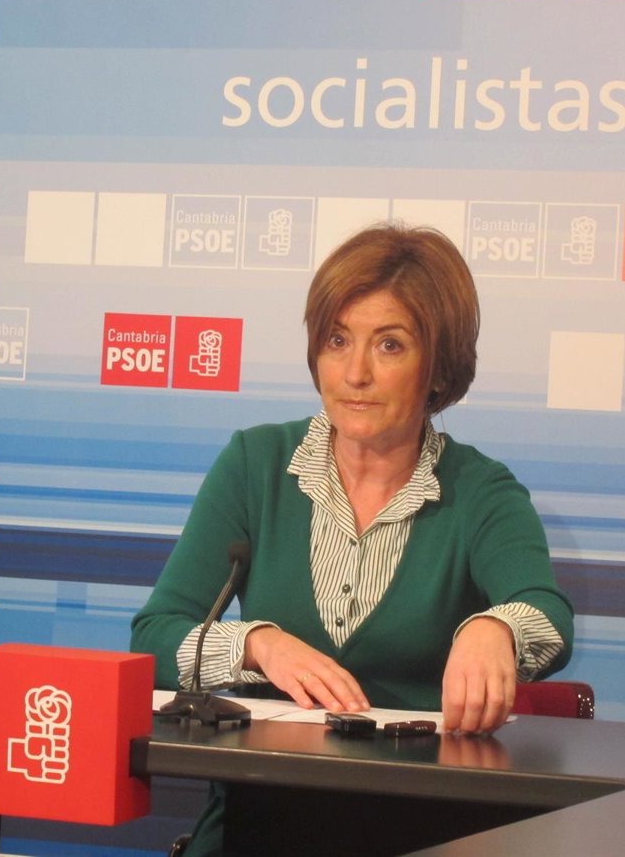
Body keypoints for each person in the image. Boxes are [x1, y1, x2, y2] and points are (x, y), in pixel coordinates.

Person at [131, 223, 573, 855]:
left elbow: (547, 615)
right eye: (338, 340)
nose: (355, 373)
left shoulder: (480, 491)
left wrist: (495, 628)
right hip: (261, 815)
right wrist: (258, 645)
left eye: (389, 345)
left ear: (439, 368)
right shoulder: (256, 465)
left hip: (423, 821)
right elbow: (154, 637)